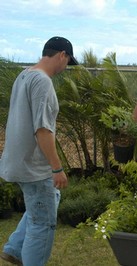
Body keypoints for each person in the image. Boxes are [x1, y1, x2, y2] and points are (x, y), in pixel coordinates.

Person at [0, 37, 78, 266]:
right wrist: (57, 167)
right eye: (68, 62)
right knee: (42, 223)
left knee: (49, 199)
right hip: (34, 166)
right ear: (62, 55)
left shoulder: (24, 75)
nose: (66, 68)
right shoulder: (42, 81)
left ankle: (14, 248)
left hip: (18, 162)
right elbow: (42, 130)